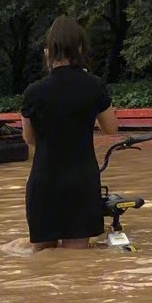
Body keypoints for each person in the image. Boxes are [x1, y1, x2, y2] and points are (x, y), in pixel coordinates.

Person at [21, 16, 118, 250]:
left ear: (48, 52)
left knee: (43, 261)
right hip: (81, 182)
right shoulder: (94, 85)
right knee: (77, 260)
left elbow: (29, 139)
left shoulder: (33, 92)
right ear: (81, 48)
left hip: (44, 183)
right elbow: (111, 129)